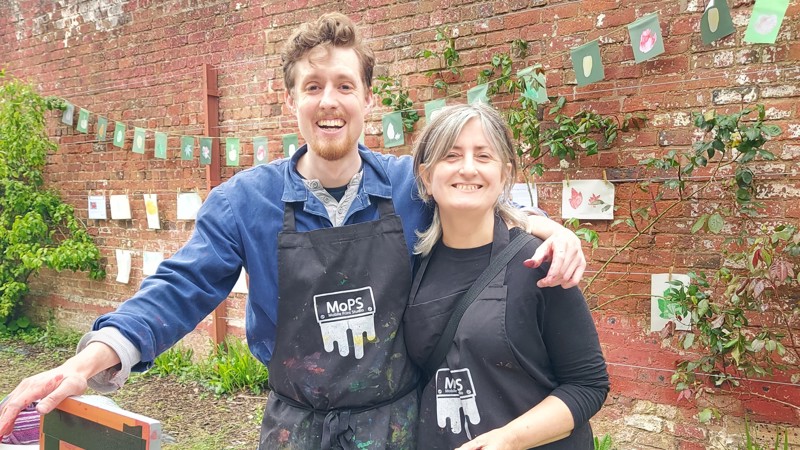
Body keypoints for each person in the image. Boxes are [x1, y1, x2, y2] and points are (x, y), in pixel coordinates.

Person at [0, 13, 587, 450]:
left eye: (343, 85)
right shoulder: (244, 201)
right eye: (313, 86)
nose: (329, 102)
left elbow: (479, 191)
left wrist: (544, 225)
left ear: (368, 99)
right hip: (294, 428)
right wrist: (85, 364)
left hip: (396, 425)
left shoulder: (412, 185)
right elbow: (178, 290)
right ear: (290, 101)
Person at [405, 103, 609, 450]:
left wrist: (509, 439)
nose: (468, 168)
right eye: (451, 156)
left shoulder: (539, 262)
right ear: (426, 176)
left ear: (504, 175)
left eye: (483, 156)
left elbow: (587, 385)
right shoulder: (413, 264)